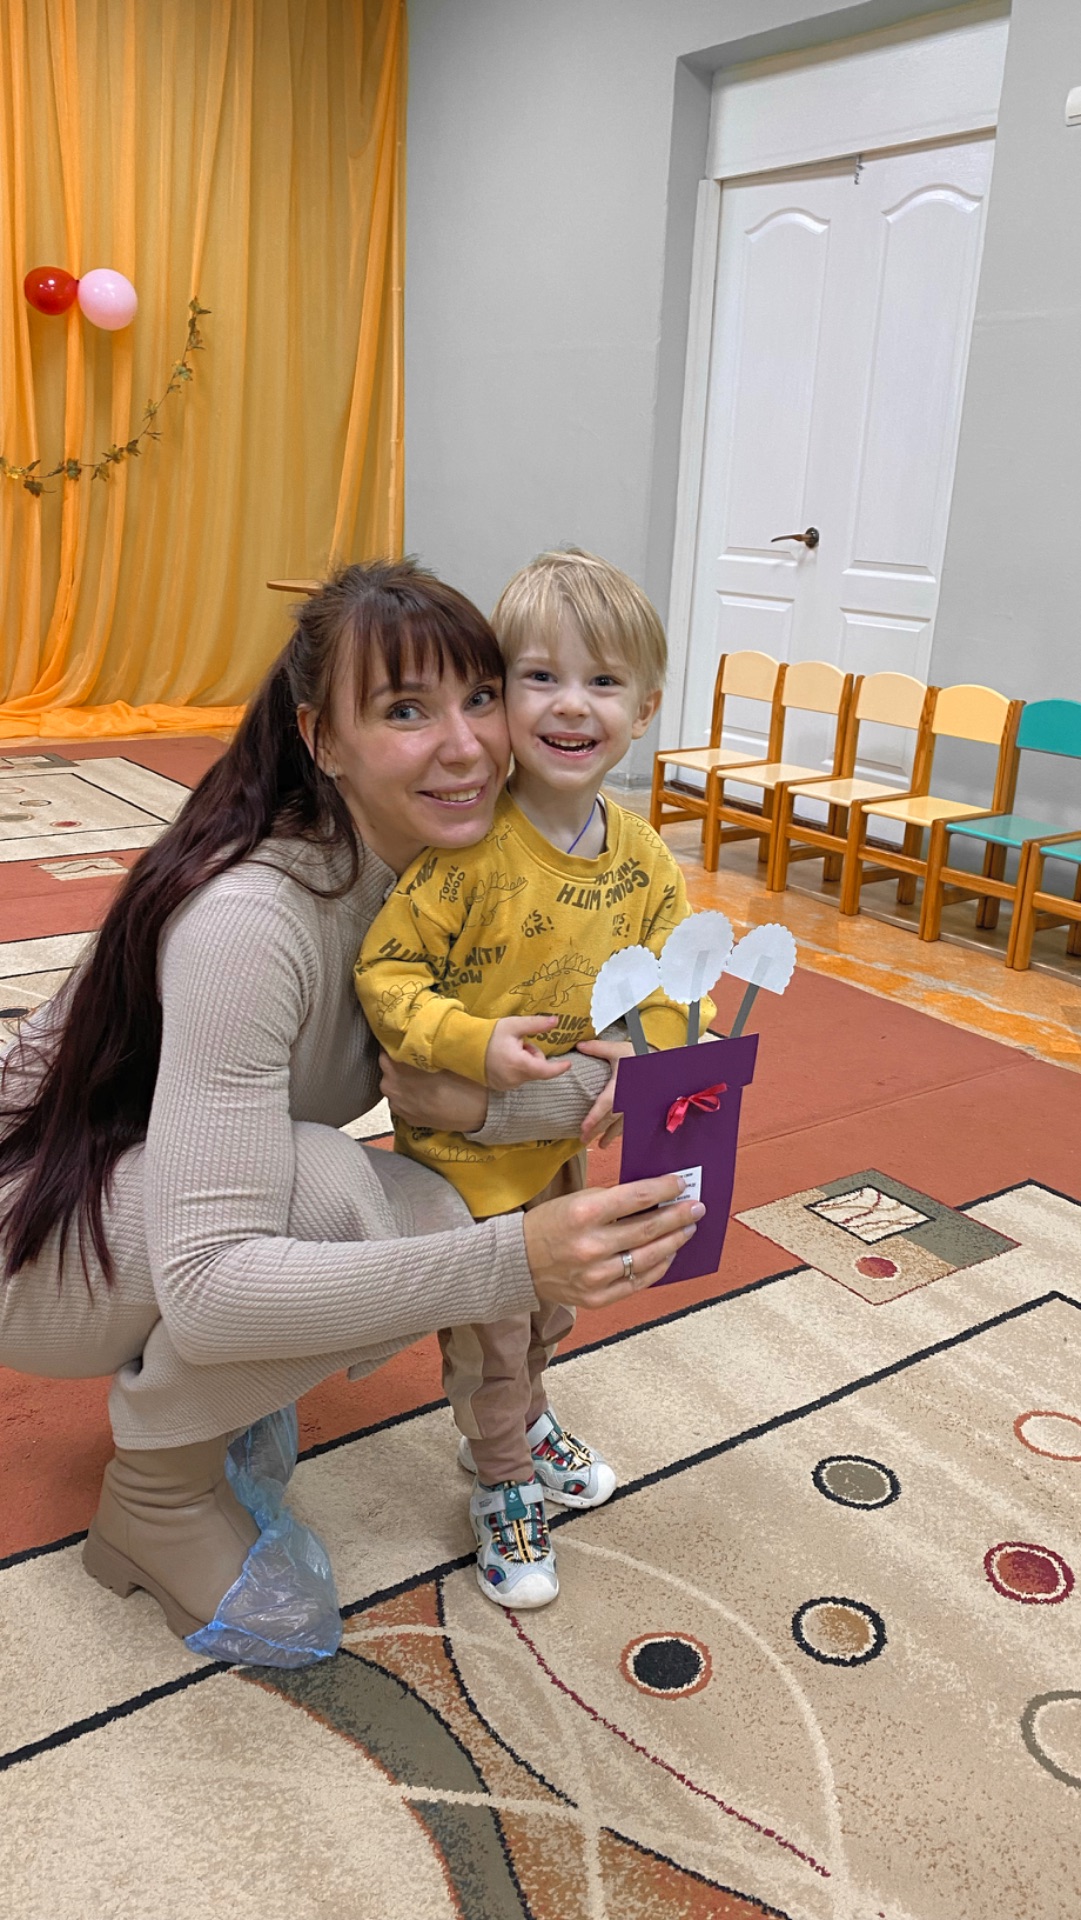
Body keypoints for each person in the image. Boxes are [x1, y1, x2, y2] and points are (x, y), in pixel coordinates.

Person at [0, 560, 703, 1656]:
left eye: (480, 697)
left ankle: (225, 1406)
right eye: (405, 711)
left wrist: (507, 1096)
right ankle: (156, 1494)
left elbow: (543, 1072)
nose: (466, 745)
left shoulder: (463, 881)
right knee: (354, 1199)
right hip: (36, 1228)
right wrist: (515, 1262)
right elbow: (211, 1287)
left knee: (401, 1196)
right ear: (322, 739)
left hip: (166, 1176)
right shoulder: (254, 919)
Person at [355, 550, 713, 1610]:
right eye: (539, 677)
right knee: (494, 1341)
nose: (570, 705)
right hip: (465, 1165)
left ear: (644, 709)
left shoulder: (643, 858)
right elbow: (386, 974)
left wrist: (648, 1047)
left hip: (564, 1146)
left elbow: (678, 976)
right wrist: (470, 1043)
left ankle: (528, 1420)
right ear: (499, 699)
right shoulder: (468, 849)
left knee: (557, 1308)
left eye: (601, 681)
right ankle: (501, 1476)